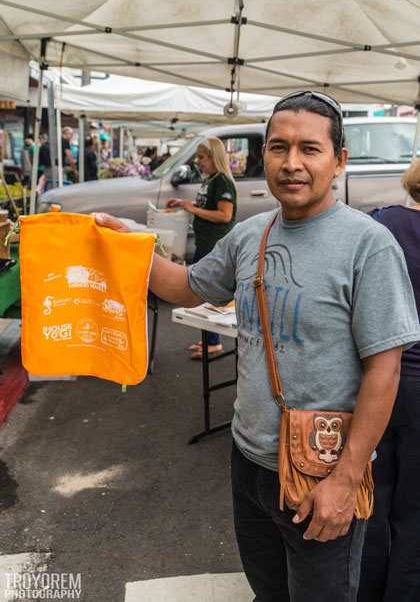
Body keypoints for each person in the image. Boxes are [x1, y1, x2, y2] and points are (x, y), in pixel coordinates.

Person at [94, 92, 420, 602]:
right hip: (249, 462)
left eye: (310, 149)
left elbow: (386, 369)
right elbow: (185, 286)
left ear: (340, 161)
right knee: (268, 592)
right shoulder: (251, 235)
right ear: (263, 156)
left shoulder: (368, 244)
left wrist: (345, 480)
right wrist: (125, 243)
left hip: (322, 472)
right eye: (278, 147)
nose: (292, 163)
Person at [358, 161, 420, 602]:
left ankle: (364, 592)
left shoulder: (381, 223)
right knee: (414, 514)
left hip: (379, 380)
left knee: (372, 502)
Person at [167, 136, 237, 358]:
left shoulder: (223, 181)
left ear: (214, 157)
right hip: (204, 243)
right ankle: (208, 339)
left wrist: (193, 209)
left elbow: (225, 215)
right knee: (203, 293)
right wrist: (185, 205)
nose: (198, 162)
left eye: (202, 157)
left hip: (213, 244)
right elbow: (207, 205)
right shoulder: (211, 180)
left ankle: (214, 342)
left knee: (207, 292)